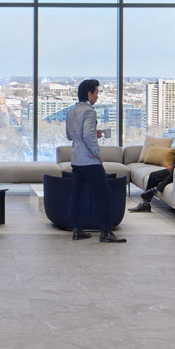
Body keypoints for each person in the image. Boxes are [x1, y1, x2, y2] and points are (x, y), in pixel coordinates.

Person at [65, 79, 124, 243]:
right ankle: (106, 232)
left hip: (76, 159)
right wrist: (98, 154)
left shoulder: (72, 112)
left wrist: (92, 133)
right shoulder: (89, 112)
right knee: (104, 194)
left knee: (75, 194)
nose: (97, 96)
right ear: (89, 94)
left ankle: (77, 230)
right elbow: (87, 136)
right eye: (96, 93)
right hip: (89, 160)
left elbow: (70, 135)